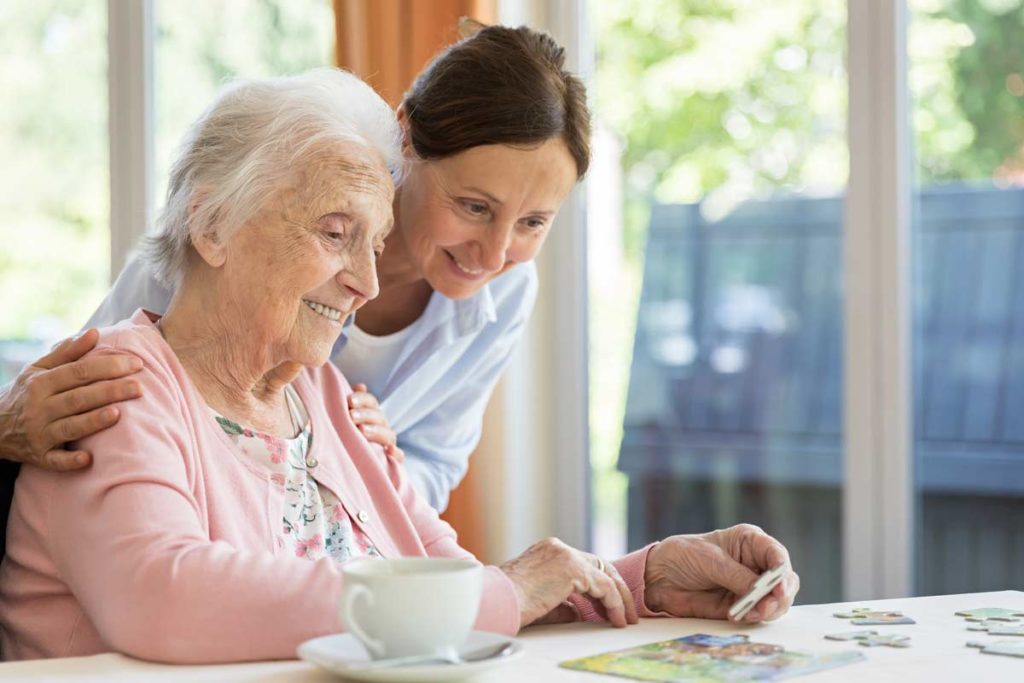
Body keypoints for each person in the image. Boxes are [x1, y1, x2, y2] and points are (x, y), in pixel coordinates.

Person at [0, 69, 799, 664]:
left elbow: (456, 589)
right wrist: (499, 590)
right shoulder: (110, 387)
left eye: (373, 241)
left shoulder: (329, 400)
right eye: (335, 232)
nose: (368, 281)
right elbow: (164, 595)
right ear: (213, 224)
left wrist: (641, 578)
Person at [0, 22, 587, 512]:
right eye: (474, 207)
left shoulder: (507, 293)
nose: (494, 253)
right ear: (405, 135)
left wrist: (383, 467)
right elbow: (73, 395)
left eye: (534, 222)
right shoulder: (249, 230)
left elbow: (433, 464)